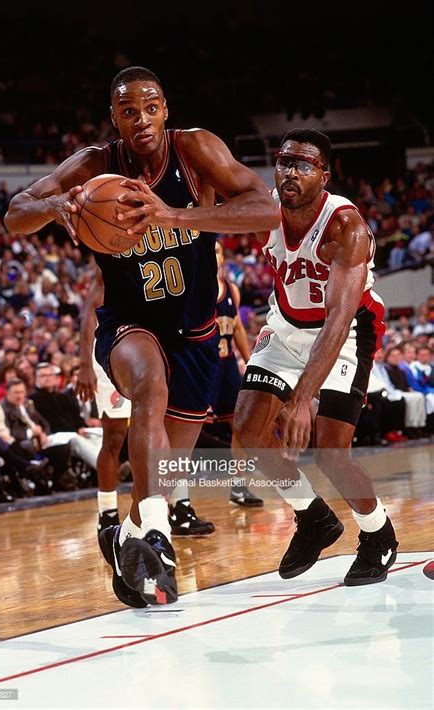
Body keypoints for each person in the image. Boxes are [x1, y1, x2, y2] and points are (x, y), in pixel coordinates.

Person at [4, 66, 277, 607]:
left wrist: (174, 215)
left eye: (150, 106)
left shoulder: (195, 150)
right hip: (130, 324)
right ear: (115, 118)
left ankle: (130, 542)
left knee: (163, 471)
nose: (142, 118)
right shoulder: (96, 164)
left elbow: (267, 209)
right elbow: (15, 213)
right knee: (148, 383)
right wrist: (52, 206)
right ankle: (157, 533)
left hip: (196, 335)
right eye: (129, 110)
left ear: (165, 108)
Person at [233, 128, 399, 587]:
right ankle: (314, 517)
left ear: (323, 175)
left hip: (345, 332)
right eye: (285, 162)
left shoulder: (346, 227)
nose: (291, 171)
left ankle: (378, 533)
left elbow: (338, 319)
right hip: (286, 326)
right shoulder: (265, 207)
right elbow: (213, 207)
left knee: (330, 451)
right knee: (248, 429)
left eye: (304, 165)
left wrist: (305, 397)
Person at [75, 265, 216, 537]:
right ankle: (107, 512)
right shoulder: (113, 248)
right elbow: (90, 311)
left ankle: (178, 506)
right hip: (119, 349)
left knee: (170, 431)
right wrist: (84, 364)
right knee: (114, 437)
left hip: (159, 344)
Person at [202, 241, 263, 507]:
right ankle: (175, 499)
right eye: (209, 250)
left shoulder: (232, 290)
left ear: (223, 258)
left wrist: (250, 361)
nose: (213, 256)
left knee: (240, 425)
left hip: (226, 366)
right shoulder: (194, 288)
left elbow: (237, 327)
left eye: (216, 251)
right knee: (186, 431)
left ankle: (238, 486)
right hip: (203, 367)